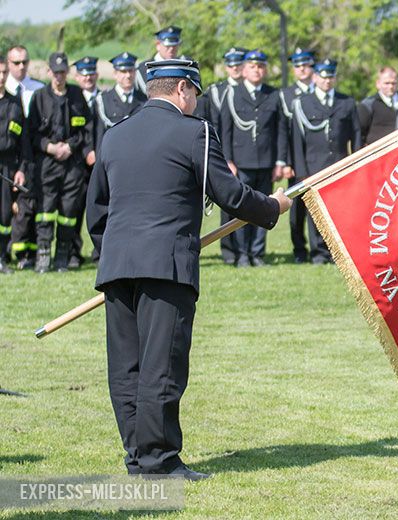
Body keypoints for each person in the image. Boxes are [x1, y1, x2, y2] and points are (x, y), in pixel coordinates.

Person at [86, 58, 292, 480]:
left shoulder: (115, 135)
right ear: (182, 89)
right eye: (195, 94)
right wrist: (273, 207)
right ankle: (159, 462)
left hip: (118, 264)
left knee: (127, 368)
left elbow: (97, 209)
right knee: (162, 364)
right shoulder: (194, 132)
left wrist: (114, 253)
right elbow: (230, 193)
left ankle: (138, 457)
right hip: (166, 264)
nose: (197, 102)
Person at [219, 49, 288, 267]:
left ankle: (257, 253)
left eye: (260, 66)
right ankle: (241, 254)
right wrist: (228, 159)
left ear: (265, 69)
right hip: (240, 162)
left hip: (266, 162)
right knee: (242, 209)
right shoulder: (232, 94)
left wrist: (280, 161)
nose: (256, 70)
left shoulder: (273, 94)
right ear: (244, 69)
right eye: (252, 66)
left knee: (265, 208)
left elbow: (280, 131)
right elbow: (225, 130)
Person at [290, 58, 361, 264]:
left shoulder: (346, 102)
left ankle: (336, 251)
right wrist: (301, 170)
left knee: (339, 212)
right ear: (315, 78)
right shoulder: (303, 103)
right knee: (316, 214)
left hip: (339, 165)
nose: (327, 81)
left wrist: (355, 163)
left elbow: (355, 134)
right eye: (323, 76)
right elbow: (297, 138)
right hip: (313, 166)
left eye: (331, 76)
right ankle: (319, 252)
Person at [27, 52, 92, 273]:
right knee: (45, 210)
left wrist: (70, 147)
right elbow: (31, 133)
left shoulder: (77, 96)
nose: (59, 76)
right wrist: (50, 147)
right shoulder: (39, 97)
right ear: (48, 72)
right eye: (55, 72)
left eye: (62, 72)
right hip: (47, 162)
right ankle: (43, 255)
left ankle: (62, 257)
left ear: (67, 72)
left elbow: (85, 129)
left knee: (68, 211)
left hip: (71, 163)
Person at [194, 47, 246, 266]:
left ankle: (244, 251)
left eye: (238, 64)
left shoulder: (249, 91)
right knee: (226, 204)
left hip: (243, 154)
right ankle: (228, 250)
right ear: (226, 67)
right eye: (231, 65)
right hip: (220, 152)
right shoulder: (216, 91)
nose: (235, 69)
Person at [280, 47, 316, 263]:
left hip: (316, 158)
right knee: (297, 210)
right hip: (295, 160)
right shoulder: (285, 95)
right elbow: (283, 131)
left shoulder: (319, 91)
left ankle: (320, 249)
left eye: (306, 65)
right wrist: (285, 161)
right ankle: (299, 250)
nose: (302, 69)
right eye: (298, 66)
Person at [0, 55, 29, 273]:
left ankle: (2, 257)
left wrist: (21, 169)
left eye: (3, 72)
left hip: (8, 167)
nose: (1, 77)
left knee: (3, 216)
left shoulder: (14, 103)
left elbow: (24, 141)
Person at [72, 56, 100, 269]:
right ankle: (74, 251)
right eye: (84, 73)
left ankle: (100, 250)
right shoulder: (71, 98)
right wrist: (85, 151)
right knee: (74, 210)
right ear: (77, 76)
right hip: (75, 165)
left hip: (100, 165)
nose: (88, 77)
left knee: (101, 209)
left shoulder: (103, 99)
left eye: (91, 73)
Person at [358, 66, 398, 145]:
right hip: (379, 154)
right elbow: (359, 135)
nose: (391, 87)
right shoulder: (367, 105)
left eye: (393, 83)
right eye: (387, 83)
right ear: (378, 84)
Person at [135, 25, 182, 95]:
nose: (172, 49)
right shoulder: (143, 69)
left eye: (174, 46)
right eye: (168, 46)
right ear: (158, 45)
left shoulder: (184, 66)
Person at [4, 45, 44, 116]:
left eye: (24, 62)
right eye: (17, 63)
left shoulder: (40, 88)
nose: (21, 66)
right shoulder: (3, 86)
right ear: (8, 63)